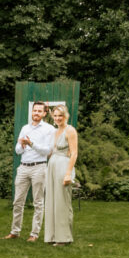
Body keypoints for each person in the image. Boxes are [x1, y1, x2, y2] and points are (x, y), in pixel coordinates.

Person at [6, 101, 55, 241]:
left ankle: (34, 234)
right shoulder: (25, 128)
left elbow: (48, 150)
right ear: (32, 112)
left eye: (40, 111)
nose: (36, 113)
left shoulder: (49, 129)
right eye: (35, 111)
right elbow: (17, 150)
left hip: (39, 167)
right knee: (17, 202)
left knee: (38, 202)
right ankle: (15, 231)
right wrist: (22, 144)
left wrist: (31, 144)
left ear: (45, 113)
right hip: (23, 167)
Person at [44, 105, 78, 245]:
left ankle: (64, 238)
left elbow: (74, 153)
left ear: (66, 116)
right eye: (55, 116)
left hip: (63, 167)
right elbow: (51, 150)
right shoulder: (55, 131)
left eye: (60, 116)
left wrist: (68, 173)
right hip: (52, 166)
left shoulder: (70, 130)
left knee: (62, 203)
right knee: (52, 202)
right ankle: (53, 236)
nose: (58, 118)